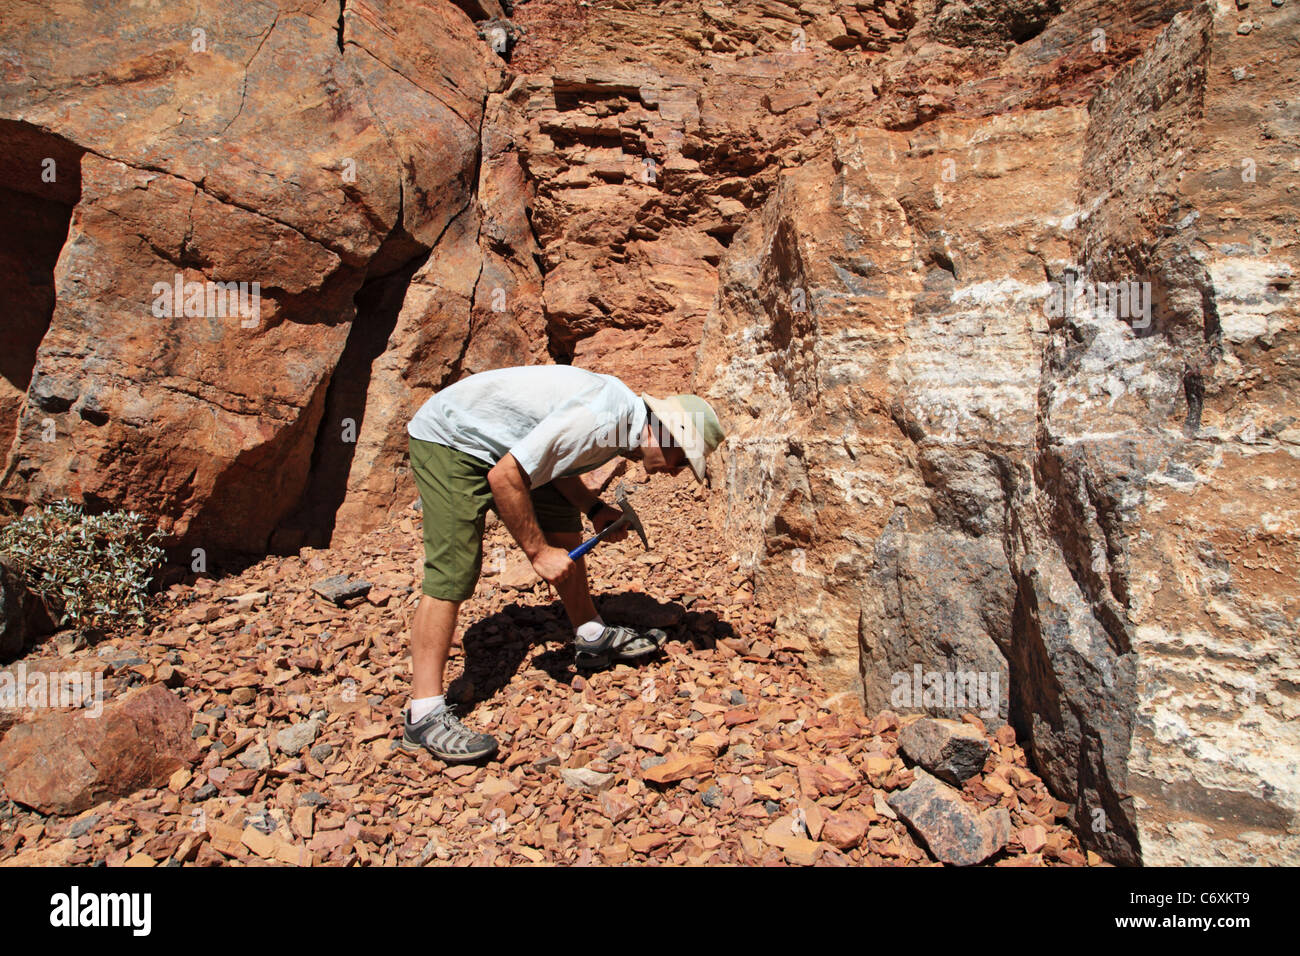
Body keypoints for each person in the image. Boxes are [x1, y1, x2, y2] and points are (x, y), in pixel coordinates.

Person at [400, 365, 726, 763]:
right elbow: (505, 477)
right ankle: (424, 714)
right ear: (664, 430)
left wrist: (593, 506)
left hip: (506, 446)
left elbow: (552, 460)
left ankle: (590, 634)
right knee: (454, 571)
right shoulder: (602, 420)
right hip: (453, 439)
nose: (676, 471)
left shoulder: (619, 430)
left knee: (564, 527)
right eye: (681, 458)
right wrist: (537, 552)